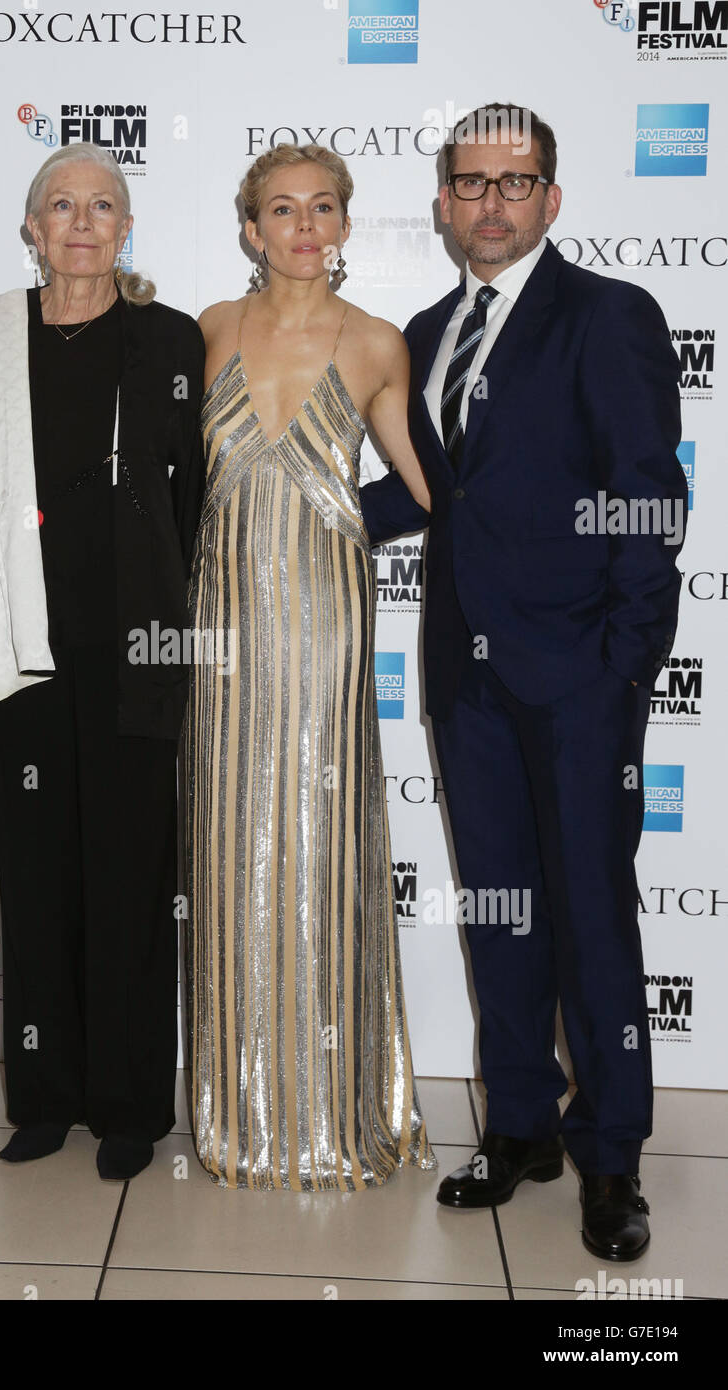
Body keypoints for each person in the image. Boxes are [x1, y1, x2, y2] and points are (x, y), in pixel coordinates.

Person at [358, 103, 686, 1258]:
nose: (489, 203)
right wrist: (304, 526)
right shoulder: (426, 328)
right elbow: (425, 491)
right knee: (497, 912)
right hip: (467, 678)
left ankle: (610, 1156)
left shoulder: (608, 316)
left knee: (593, 920)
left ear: (550, 198)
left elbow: (649, 501)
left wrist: (621, 670)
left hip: (579, 678)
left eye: (514, 182)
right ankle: (519, 1129)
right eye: (469, 183)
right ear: (442, 202)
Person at [0, 142, 205, 1181]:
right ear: (30, 227)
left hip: (132, 655)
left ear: (125, 226)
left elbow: (192, 506)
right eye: (61, 203)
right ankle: (46, 1096)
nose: (82, 220)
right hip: (21, 654)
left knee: (133, 883)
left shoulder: (168, 339)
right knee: (38, 877)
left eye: (103, 204)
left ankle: (132, 1106)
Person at [183, 143, 435, 1191]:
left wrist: (334, 517)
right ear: (249, 229)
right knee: (227, 840)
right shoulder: (204, 330)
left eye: (320, 208)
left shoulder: (375, 342)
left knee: (323, 844)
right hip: (222, 620)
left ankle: (338, 1109)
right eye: (279, 209)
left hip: (326, 623)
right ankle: (232, 1109)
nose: (300, 226)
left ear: (342, 225)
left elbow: (425, 487)